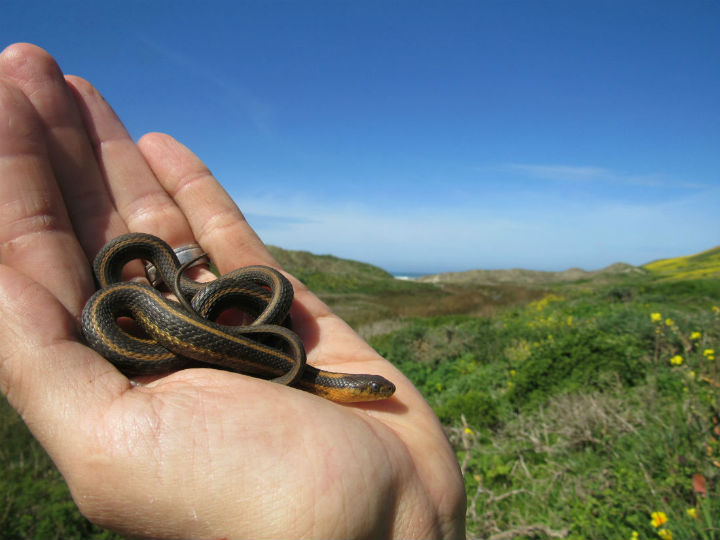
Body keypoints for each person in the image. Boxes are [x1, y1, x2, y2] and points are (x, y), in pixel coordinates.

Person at [0, 43, 466, 539]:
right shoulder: (292, 360)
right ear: (346, 388)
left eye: (373, 390)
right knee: (240, 325)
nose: (377, 392)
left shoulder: (298, 365)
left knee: (258, 323)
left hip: (208, 321)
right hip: (170, 310)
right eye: (372, 388)